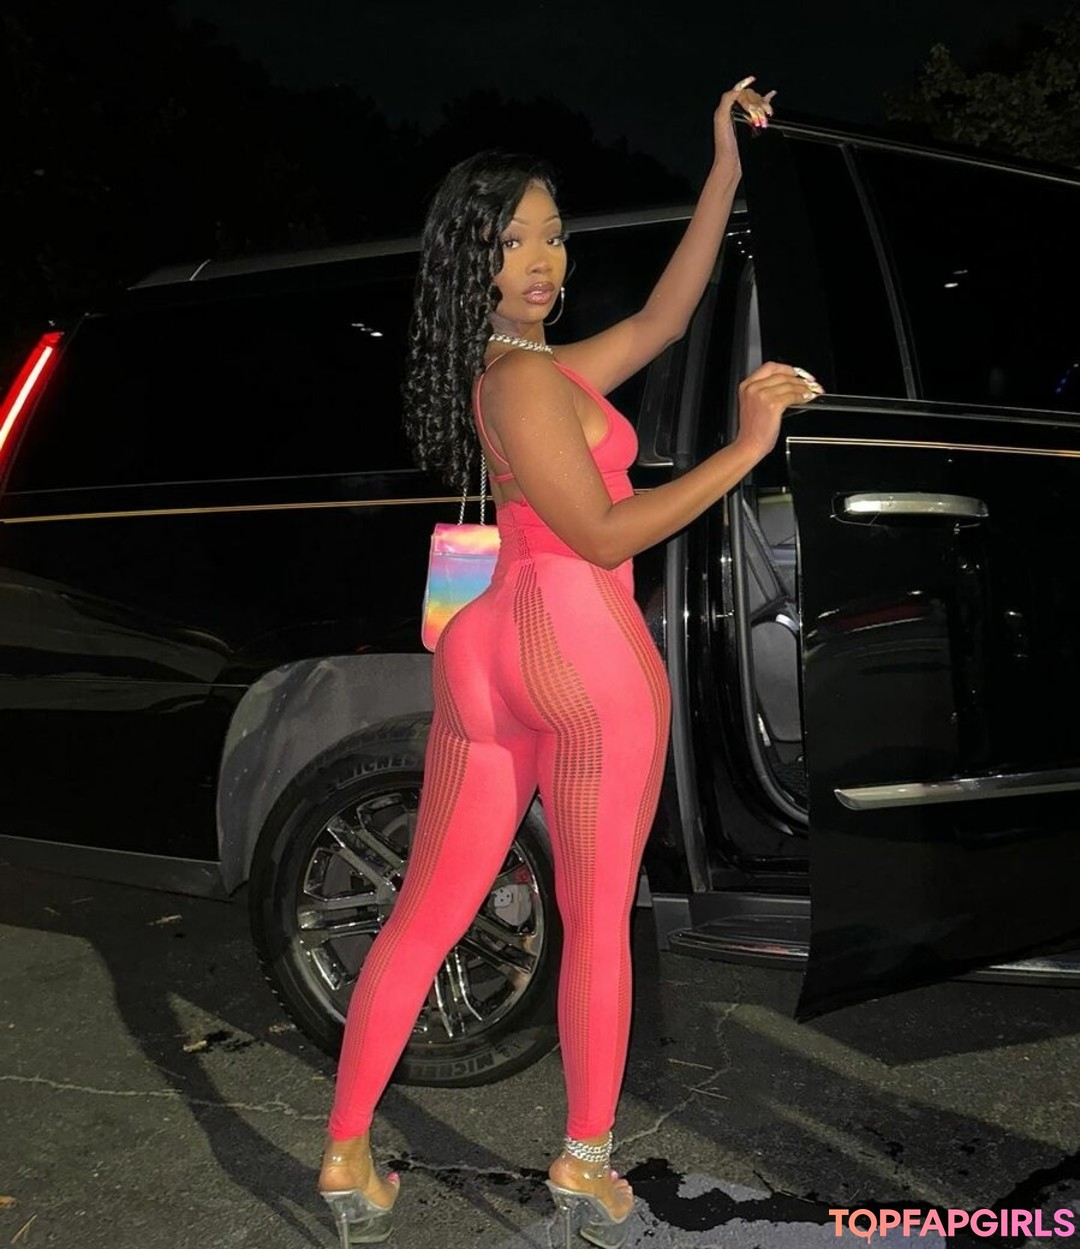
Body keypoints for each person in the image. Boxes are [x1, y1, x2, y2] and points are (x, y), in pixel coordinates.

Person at [316, 77, 823, 1248]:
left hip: (488, 649)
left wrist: (722, 170)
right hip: (581, 647)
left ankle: (346, 1152)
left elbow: (665, 321)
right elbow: (600, 536)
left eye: (551, 234)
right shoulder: (525, 380)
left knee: (426, 911)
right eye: (514, 241)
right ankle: (585, 1166)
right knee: (596, 921)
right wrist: (747, 447)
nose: (542, 259)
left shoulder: (521, 370)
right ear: (474, 259)